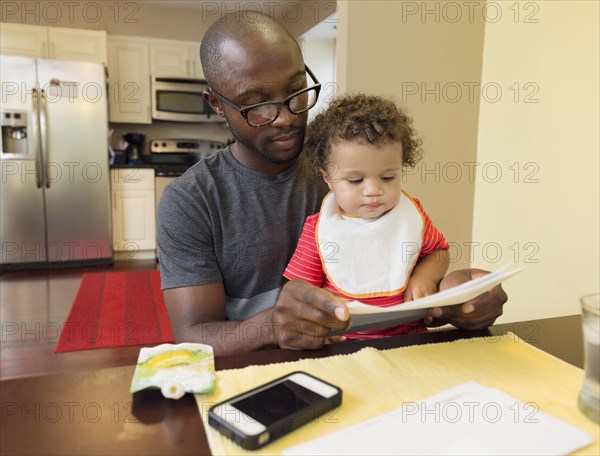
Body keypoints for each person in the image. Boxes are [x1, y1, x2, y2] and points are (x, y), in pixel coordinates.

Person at [157, 11, 507, 356]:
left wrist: (458, 298)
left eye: (297, 91)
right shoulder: (191, 201)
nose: (287, 118)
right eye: (258, 105)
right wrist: (275, 325)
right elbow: (194, 336)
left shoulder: (351, 165)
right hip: (267, 370)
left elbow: (401, 285)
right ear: (217, 103)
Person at [283, 94, 450, 339]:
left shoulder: (410, 215)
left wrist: (425, 275)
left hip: (409, 336)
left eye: (388, 177)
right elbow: (298, 291)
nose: (373, 190)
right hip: (343, 341)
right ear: (327, 177)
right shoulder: (319, 230)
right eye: (355, 180)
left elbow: (440, 252)